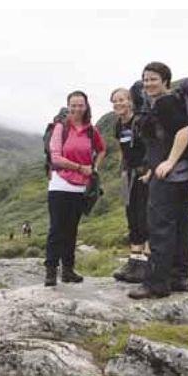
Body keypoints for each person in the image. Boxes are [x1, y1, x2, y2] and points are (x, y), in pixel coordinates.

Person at [129, 62, 188, 300]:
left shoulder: (166, 102)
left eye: (153, 79)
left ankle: (156, 284)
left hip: (169, 175)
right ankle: (179, 277)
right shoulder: (167, 102)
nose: (148, 84)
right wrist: (154, 168)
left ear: (165, 80)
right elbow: (162, 139)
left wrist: (169, 162)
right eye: (145, 79)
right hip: (179, 175)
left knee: (159, 226)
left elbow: (184, 131)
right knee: (180, 224)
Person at [43, 92, 106, 287]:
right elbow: (56, 158)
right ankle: (51, 271)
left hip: (81, 187)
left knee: (71, 230)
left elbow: (102, 149)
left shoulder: (90, 130)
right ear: (68, 106)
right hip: (60, 184)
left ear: (86, 106)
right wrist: (80, 167)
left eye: (80, 105)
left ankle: (68, 270)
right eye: (73, 105)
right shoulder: (60, 128)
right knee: (56, 229)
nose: (77, 108)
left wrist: (94, 167)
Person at [109, 87, 150, 283]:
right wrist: (122, 168)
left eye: (122, 100)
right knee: (131, 216)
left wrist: (150, 170)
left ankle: (147, 263)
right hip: (127, 176)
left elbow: (153, 145)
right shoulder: (118, 124)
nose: (118, 104)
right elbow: (121, 148)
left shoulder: (140, 122)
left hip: (143, 174)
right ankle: (133, 261)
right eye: (115, 101)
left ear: (131, 101)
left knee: (144, 216)